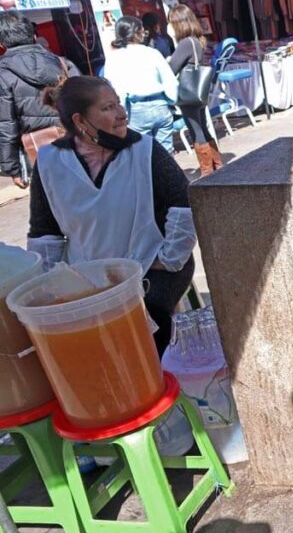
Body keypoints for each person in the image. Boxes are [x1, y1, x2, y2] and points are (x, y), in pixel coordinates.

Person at [27, 76, 195, 355]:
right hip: (88, 274)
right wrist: (51, 289)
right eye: (108, 108)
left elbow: (184, 204)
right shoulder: (50, 163)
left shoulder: (144, 150)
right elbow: (45, 233)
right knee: (78, 337)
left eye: (118, 103)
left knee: (144, 324)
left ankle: (160, 383)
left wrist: (167, 257)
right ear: (80, 121)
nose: (121, 114)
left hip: (149, 267)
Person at [0, 12, 78, 189]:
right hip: (74, 144)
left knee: (53, 203)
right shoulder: (61, 63)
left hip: (36, 154)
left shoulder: (3, 75)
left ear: (1, 43)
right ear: (34, 35)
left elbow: (5, 125)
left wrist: (13, 169)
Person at [102, 16, 178, 154]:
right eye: (142, 30)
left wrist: (122, 113)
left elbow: (116, 91)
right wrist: (171, 101)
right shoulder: (152, 53)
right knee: (166, 154)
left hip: (136, 110)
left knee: (143, 156)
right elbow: (170, 82)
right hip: (161, 106)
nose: (144, 32)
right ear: (137, 32)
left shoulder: (114, 58)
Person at [166, 5, 221, 176]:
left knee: (195, 129)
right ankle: (217, 164)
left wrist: (168, 60)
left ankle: (207, 170)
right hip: (199, 92)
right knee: (203, 127)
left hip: (189, 92)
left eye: (170, 21)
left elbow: (172, 68)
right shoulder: (197, 40)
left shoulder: (185, 43)